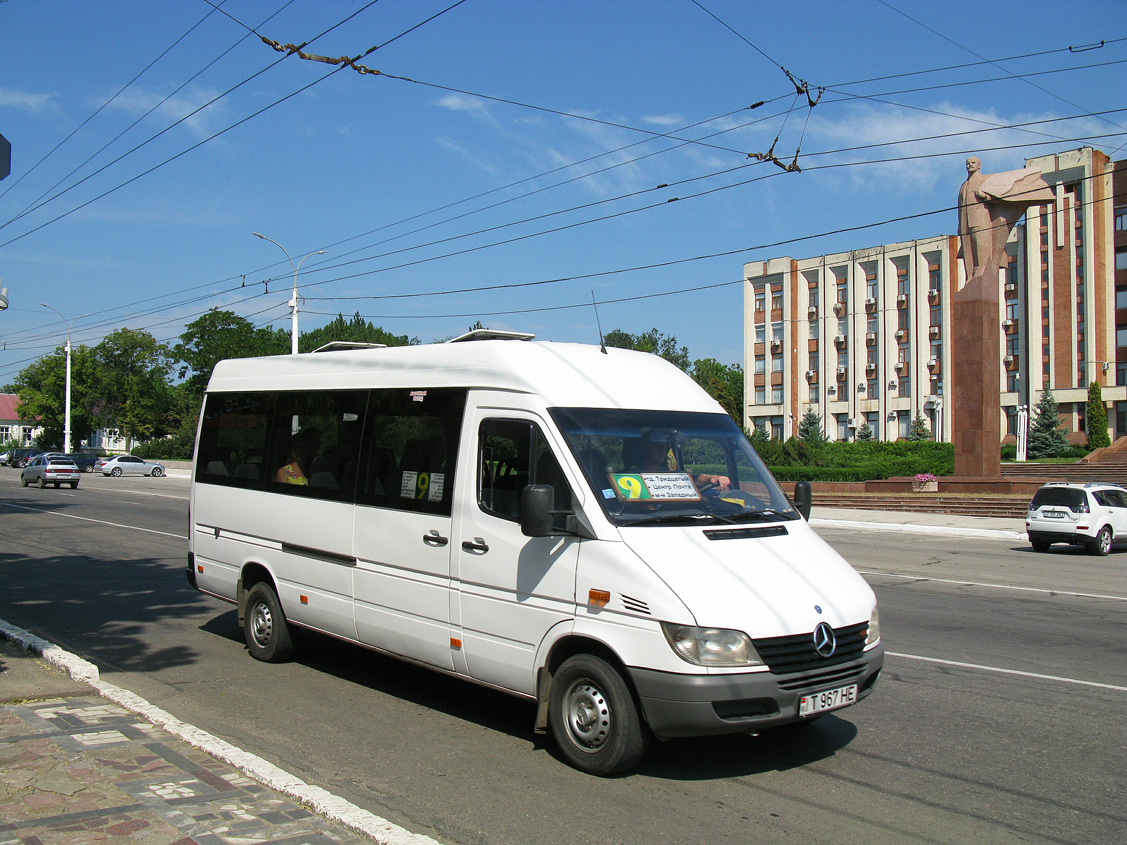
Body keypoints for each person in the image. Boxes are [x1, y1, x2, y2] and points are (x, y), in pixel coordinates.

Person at [637, 436, 730, 492]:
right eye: (657, 447)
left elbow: (694, 480)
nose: (662, 450)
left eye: (664, 447)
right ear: (644, 449)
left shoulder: (672, 475)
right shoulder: (631, 476)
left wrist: (714, 478)